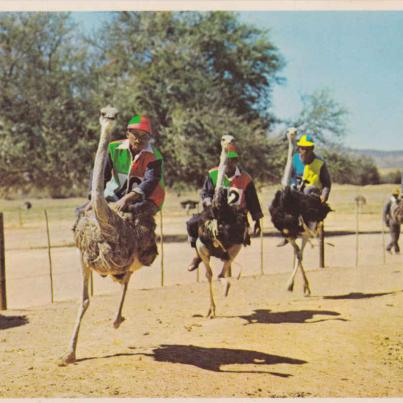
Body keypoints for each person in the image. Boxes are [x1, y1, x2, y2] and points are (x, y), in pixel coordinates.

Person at [186, 142, 263, 271]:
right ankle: (197, 255)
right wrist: (208, 201)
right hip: (215, 212)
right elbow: (205, 192)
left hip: (237, 215)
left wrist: (257, 220)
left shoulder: (245, 179)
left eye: (232, 160)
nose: (229, 163)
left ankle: (228, 259)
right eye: (227, 160)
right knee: (192, 224)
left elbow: (253, 201)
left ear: (236, 160)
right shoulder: (213, 174)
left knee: (238, 232)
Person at [77, 114, 165, 217]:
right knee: (83, 211)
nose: (138, 140)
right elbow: (101, 175)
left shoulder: (155, 156)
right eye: (135, 134)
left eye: (144, 136)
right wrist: (94, 198)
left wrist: (126, 199)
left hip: (148, 198)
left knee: (132, 213)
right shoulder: (113, 149)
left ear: (149, 138)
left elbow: (149, 182)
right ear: (127, 134)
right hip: (119, 195)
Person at [278, 132, 332, 247]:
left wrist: (324, 195)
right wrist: (292, 186)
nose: (304, 151)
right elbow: (290, 176)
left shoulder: (320, 163)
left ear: (312, 149)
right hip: (298, 193)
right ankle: (287, 233)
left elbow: (327, 182)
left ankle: (311, 224)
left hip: (313, 195)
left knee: (309, 190)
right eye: (302, 148)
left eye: (307, 149)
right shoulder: (295, 160)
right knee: (283, 198)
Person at [383, 188, 401, 254]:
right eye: (395, 195)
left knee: (397, 237)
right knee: (394, 237)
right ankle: (394, 250)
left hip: (398, 222)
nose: (396, 196)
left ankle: (392, 249)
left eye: (397, 195)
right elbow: (384, 213)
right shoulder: (389, 202)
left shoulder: (399, 201)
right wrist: (385, 221)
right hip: (391, 221)